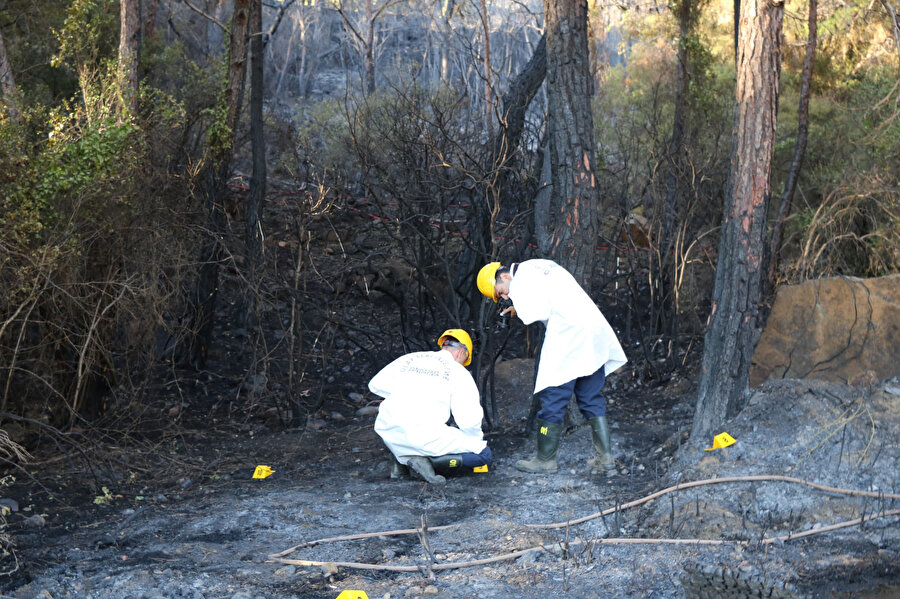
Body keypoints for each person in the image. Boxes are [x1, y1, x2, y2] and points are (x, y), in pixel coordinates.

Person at [477, 260, 627, 474]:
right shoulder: (537, 266)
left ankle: (545, 460)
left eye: (500, 292)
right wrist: (516, 306)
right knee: (590, 396)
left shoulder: (521, 280)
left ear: (504, 277)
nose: (504, 297)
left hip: (569, 335)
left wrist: (516, 309)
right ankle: (605, 459)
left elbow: (532, 314)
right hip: (592, 332)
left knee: (553, 396)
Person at [369, 329, 492, 484]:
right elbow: (468, 420)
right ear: (461, 352)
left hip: (388, 429)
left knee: (405, 427)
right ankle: (428, 463)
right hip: (422, 435)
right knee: (483, 455)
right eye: (465, 359)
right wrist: (475, 440)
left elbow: (375, 385)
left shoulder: (410, 359)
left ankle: (399, 465)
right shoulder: (457, 371)